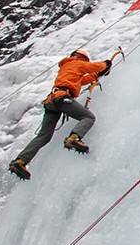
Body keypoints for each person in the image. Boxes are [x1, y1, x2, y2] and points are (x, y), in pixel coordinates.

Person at [7, 49, 112, 180]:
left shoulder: (69, 69)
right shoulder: (76, 63)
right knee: (88, 117)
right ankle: (74, 138)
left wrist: (98, 75)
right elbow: (92, 67)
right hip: (62, 98)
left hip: (52, 101)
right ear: (81, 58)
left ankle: (20, 161)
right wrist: (106, 64)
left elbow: (83, 80)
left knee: (44, 135)